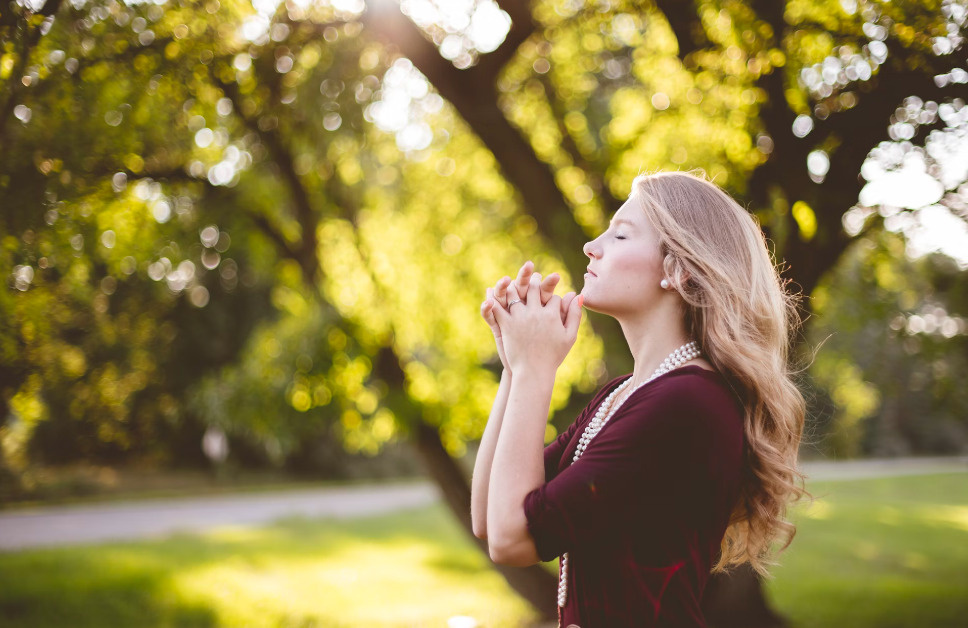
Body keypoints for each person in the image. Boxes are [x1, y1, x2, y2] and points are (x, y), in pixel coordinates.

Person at [471, 171, 808, 627]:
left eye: (621, 234)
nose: (593, 244)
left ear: (677, 269)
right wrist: (515, 366)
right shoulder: (626, 394)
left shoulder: (686, 403)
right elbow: (489, 520)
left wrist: (536, 368)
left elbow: (513, 540)